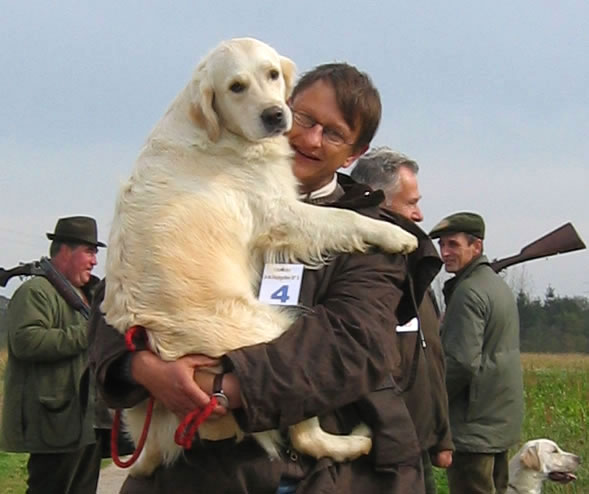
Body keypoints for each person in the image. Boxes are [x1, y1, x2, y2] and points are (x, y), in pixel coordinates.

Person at [89, 63, 433, 494]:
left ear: (353, 154)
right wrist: (141, 367)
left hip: (302, 479)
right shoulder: (198, 188)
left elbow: (350, 345)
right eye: (304, 118)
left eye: (333, 133)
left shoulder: (375, 238)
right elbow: (117, 296)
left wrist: (222, 388)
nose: (309, 139)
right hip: (182, 476)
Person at [351, 147, 454, 494]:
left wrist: (442, 435)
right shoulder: (359, 270)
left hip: (414, 445)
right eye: (411, 203)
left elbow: (428, 359)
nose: (420, 214)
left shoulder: (411, 267)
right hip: (380, 454)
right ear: (378, 200)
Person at [0, 216, 107, 494]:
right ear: (64, 251)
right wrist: (88, 332)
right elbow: (26, 341)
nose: (94, 261)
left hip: (86, 421)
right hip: (54, 422)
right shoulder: (36, 292)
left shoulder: (86, 294)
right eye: (89, 251)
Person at [429, 212, 524, 494]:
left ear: (477, 247)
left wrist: (431, 401)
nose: (445, 253)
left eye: (453, 245)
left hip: (473, 425)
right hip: (496, 420)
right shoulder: (496, 286)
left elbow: (460, 362)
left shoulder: (469, 292)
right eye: (442, 245)